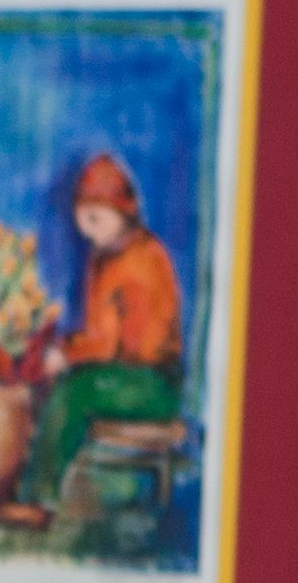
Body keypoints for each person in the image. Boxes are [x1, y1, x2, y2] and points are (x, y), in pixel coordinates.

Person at [20, 149, 191, 520]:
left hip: (153, 382)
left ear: (123, 213)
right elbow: (100, 336)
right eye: (82, 218)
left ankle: (38, 500)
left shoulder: (142, 260)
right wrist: (66, 349)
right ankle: (38, 491)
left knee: (74, 389)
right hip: (125, 374)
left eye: (95, 218)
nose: (86, 229)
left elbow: (111, 346)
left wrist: (66, 354)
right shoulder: (105, 256)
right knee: (61, 382)